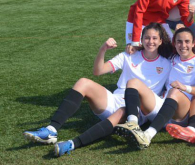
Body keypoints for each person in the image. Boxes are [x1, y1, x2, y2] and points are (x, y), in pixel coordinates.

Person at [23, 23, 173, 157]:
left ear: (160, 41)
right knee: (83, 82)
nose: (150, 42)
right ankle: (51, 129)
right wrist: (103, 49)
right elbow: (98, 71)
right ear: (141, 39)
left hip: (136, 110)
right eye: (147, 38)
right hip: (116, 99)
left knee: (121, 111)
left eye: (154, 38)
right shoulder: (129, 55)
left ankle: (73, 143)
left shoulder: (167, 64)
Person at [113, 27, 195, 149]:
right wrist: (137, 47)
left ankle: (148, 135)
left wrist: (184, 87)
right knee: (134, 82)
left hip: (180, 113)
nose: (183, 45)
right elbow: (153, 49)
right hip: (162, 107)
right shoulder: (172, 58)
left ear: (193, 43)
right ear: (174, 43)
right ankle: (132, 124)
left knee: (174, 91)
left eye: (187, 41)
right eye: (179, 41)